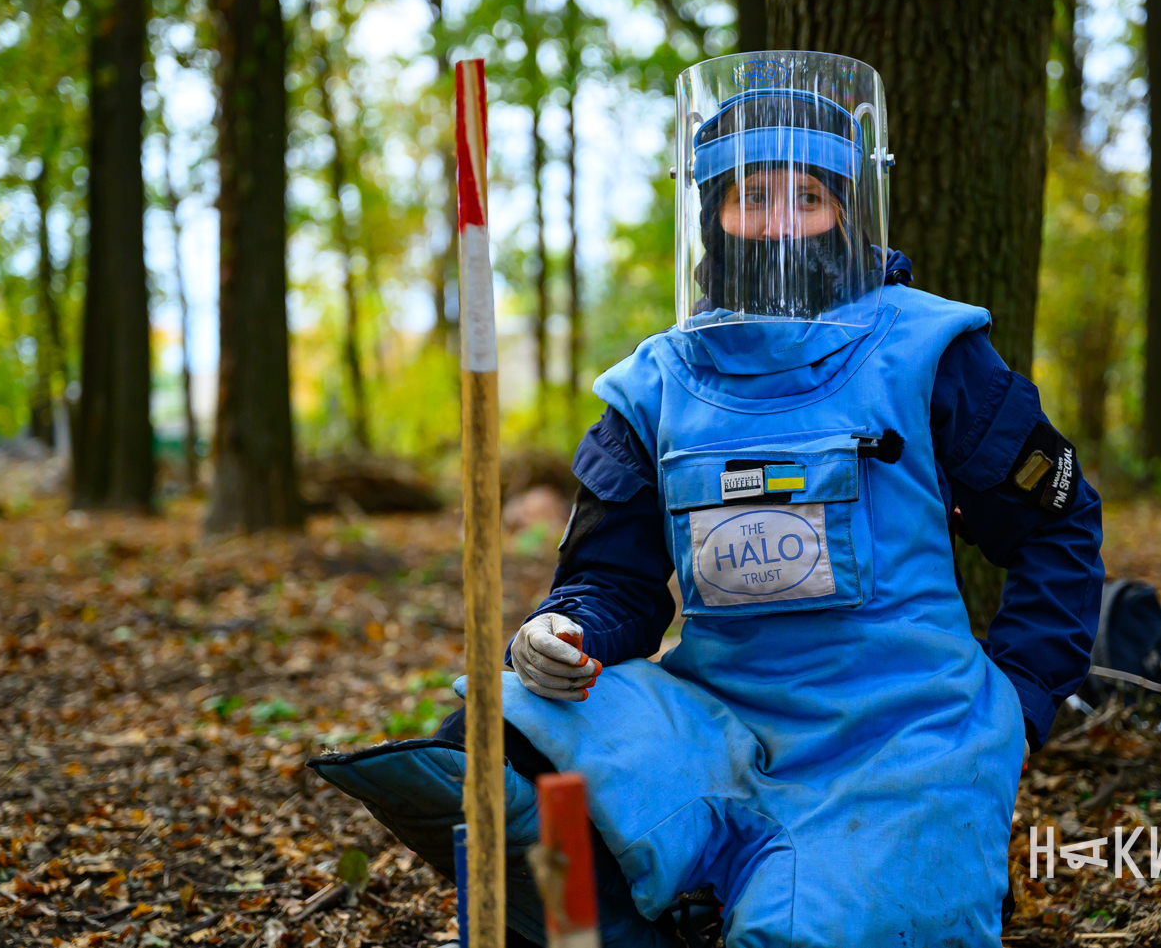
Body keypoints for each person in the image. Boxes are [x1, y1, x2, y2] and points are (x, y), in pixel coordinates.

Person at [310, 51, 1103, 948]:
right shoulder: (655, 386)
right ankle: (590, 932)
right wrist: (561, 632)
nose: (779, 225)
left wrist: (1021, 697)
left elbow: (1058, 524)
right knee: (500, 735)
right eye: (752, 197)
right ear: (712, 213)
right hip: (718, 725)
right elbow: (614, 585)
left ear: (849, 210)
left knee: (801, 932)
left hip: (904, 741)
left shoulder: (930, 353)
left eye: (808, 197)